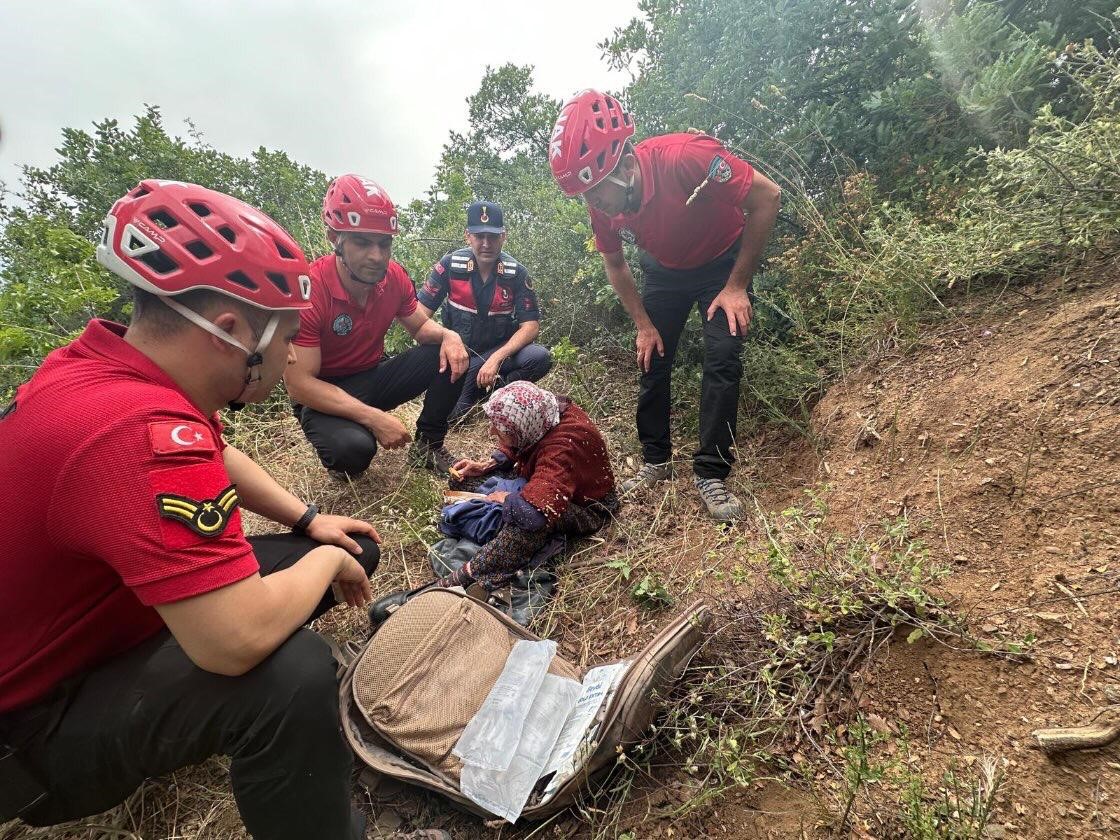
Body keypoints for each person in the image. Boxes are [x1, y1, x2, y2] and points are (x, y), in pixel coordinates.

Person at [0, 181, 381, 840]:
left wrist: (309, 523)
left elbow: (218, 453)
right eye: (285, 335)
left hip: (110, 615)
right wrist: (321, 561)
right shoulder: (135, 430)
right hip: (33, 722)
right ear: (230, 331)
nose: (291, 354)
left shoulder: (111, 367)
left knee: (350, 547)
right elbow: (234, 643)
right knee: (291, 675)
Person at [548, 89, 782, 522]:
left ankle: (711, 471)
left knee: (723, 355)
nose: (592, 204)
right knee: (652, 357)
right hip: (666, 270)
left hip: (720, 263)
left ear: (620, 165)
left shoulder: (685, 157)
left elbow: (766, 198)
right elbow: (615, 263)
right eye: (586, 195)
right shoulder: (603, 201)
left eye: (596, 193)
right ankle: (655, 460)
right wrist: (643, 324)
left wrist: (737, 286)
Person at [284, 174, 469, 478]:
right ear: (335, 238)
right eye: (362, 242)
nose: (376, 256)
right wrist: (373, 418)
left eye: (384, 244)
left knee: (451, 353)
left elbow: (420, 329)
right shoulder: (311, 289)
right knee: (353, 452)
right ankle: (344, 436)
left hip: (371, 376)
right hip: (321, 392)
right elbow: (299, 384)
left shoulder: (393, 277)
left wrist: (450, 335)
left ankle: (428, 445)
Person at [434, 381, 618, 623]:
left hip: (586, 507)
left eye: (499, 429)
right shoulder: (544, 412)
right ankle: (493, 548)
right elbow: (523, 443)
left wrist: (508, 499)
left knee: (527, 527)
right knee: (463, 482)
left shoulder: (562, 447)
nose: (491, 431)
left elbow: (534, 515)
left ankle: (474, 573)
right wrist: (488, 464)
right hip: (547, 481)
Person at [417, 200, 552, 422]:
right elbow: (419, 316)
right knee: (455, 418)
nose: (486, 243)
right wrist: (445, 340)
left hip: (499, 353)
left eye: (493, 236)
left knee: (539, 357)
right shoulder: (449, 266)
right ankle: (476, 394)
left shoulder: (516, 273)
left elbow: (530, 326)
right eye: (480, 237)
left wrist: (497, 358)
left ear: (503, 236)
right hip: (461, 358)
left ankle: (498, 395)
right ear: (467, 236)